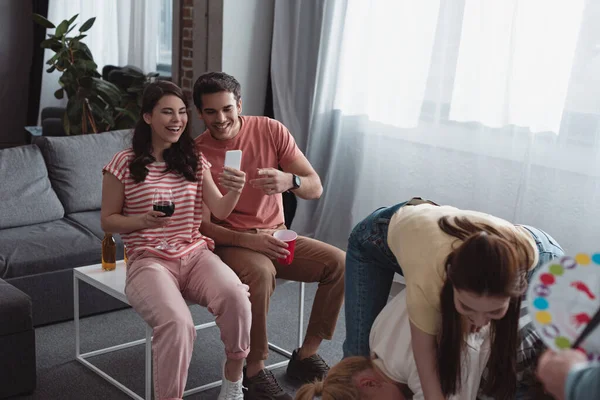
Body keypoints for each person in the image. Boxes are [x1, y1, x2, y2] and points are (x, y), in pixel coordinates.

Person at [193, 71, 345, 400]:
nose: (220, 119)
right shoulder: (197, 153)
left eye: (227, 109)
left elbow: (314, 186)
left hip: (277, 235)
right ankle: (255, 370)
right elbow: (205, 226)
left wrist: (290, 181)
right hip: (231, 242)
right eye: (210, 112)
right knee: (260, 273)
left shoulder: (269, 129)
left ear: (239, 105)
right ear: (200, 113)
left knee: (339, 263)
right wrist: (253, 241)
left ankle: (305, 355)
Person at [100, 81, 252, 400]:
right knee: (177, 323)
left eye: (182, 112)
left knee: (236, 296)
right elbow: (107, 220)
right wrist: (142, 220)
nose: (177, 120)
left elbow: (221, 208)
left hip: (196, 255)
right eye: (167, 112)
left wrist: (236, 188)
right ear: (147, 117)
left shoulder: (193, 160)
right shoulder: (123, 164)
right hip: (149, 261)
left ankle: (233, 381)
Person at [343, 198, 565, 399]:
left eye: (494, 311)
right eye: (466, 307)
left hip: (539, 255)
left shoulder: (523, 267)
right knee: (357, 357)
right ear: (450, 285)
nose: (478, 323)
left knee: (518, 368)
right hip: (377, 238)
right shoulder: (430, 280)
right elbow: (428, 374)